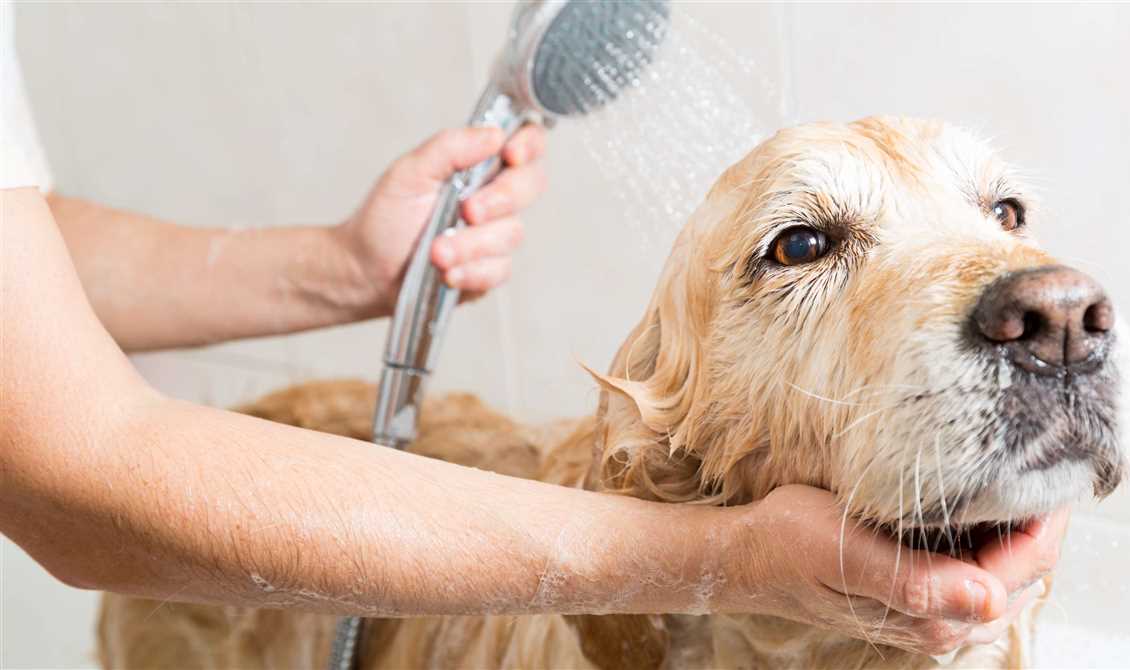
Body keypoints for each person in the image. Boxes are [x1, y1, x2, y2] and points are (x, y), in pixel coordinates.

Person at [0, 6, 1065, 658]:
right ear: (670, 454)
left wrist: (336, 270)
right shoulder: (671, 520)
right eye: (802, 246)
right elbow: (69, 472)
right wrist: (715, 561)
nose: (1039, 299)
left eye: (1003, 214)